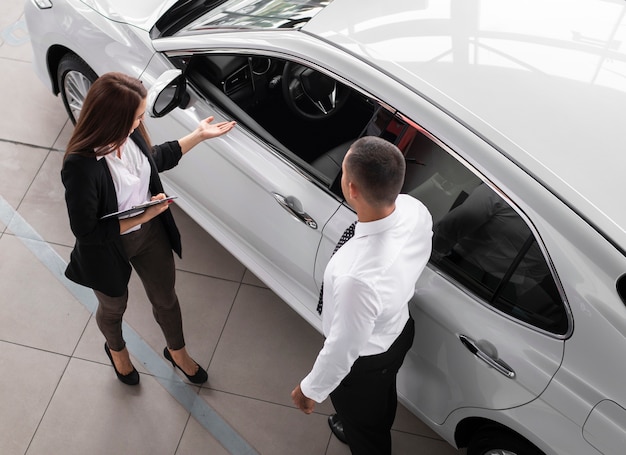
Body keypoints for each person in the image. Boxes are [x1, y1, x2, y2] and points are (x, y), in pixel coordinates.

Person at [61, 72, 236, 386]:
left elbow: (155, 159)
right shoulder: (80, 166)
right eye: (136, 117)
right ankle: (116, 349)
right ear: (112, 119)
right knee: (114, 307)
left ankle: (177, 352)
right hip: (107, 249)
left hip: (150, 234)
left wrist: (198, 135)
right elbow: (86, 232)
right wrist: (146, 214)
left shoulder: (132, 134)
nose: (140, 123)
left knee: (165, 298)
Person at [291, 136, 433, 454]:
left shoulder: (356, 278)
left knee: (366, 428)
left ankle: (363, 430)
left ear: (352, 188)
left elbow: (344, 346)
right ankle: (367, 419)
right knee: (381, 397)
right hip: (399, 331)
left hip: (366, 359)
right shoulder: (415, 209)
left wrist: (310, 389)